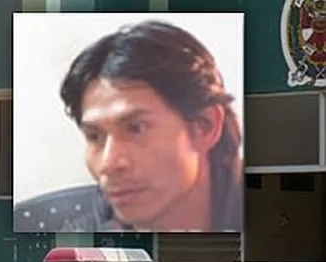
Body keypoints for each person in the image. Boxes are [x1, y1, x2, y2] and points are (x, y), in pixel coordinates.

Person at [13, 19, 243, 233]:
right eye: (94, 136)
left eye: (136, 128)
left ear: (205, 126)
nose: (108, 164)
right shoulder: (82, 244)